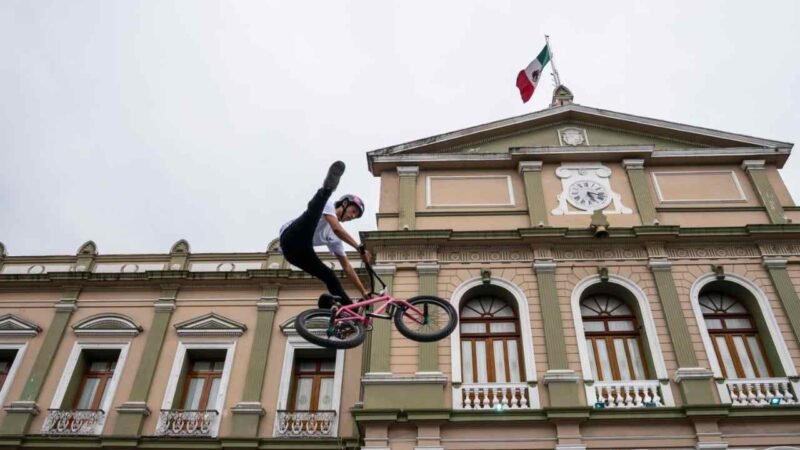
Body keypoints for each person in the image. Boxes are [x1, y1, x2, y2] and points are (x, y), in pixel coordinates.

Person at [278, 161, 372, 308]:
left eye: (356, 216)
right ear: (344, 203)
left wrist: (363, 291)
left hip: (298, 254)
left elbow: (347, 267)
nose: (353, 216)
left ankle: (348, 313)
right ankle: (327, 188)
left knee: (330, 276)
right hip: (291, 236)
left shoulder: (335, 240)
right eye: (353, 211)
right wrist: (359, 248)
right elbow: (337, 229)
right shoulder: (329, 206)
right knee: (313, 213)